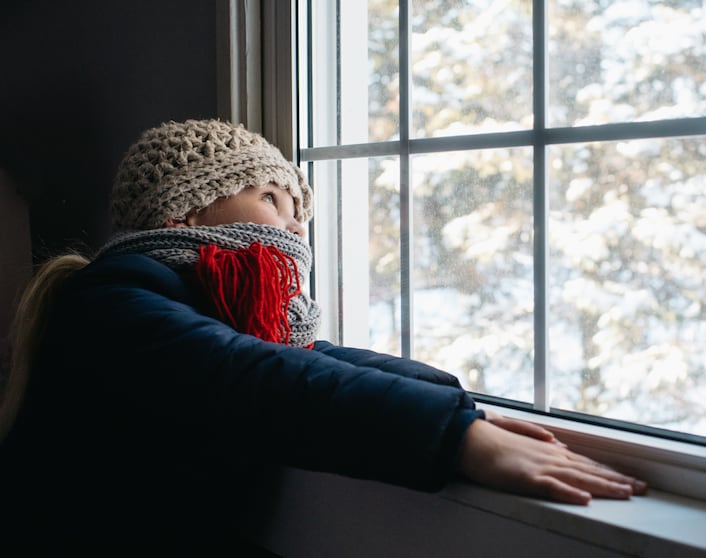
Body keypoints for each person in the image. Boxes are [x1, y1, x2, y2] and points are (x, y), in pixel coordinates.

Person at [0, 119, 645, 555]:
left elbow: (311, 358)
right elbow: (262, 379)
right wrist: (456, 438)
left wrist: (465, 410)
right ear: (190, 210)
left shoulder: (201, 313)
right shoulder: (113, 308)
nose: (296, 228)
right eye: (273, 198)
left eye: (299, 211)